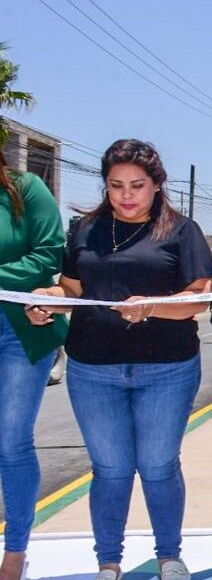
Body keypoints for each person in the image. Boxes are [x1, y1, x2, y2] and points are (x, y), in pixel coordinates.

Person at [26, 139, 211, 580]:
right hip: (93, 370)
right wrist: (46, 300)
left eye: (137, 186)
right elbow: (72, 292)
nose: (126, 196)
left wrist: (151, 306)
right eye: (116, 186)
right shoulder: (85, 230)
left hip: (168, 369)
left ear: (157, 185)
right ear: (105, 185)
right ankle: (108, 563)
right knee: (109, 469)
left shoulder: (182, 231)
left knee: (158, 465)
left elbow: (198, 300)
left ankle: (170, 557)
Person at [0, 160, 65, 580]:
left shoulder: (27, 190)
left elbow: (48, 255)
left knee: (10, 442)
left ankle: (15, 552)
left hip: (20, 333)